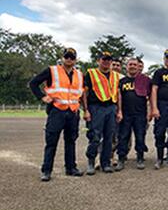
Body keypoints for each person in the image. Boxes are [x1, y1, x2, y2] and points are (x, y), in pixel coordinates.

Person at [29, 48, 84, 182]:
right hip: (57, 110)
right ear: (62, 57)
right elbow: (33, 83)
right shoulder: (52, 71)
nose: (69, 59)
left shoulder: (79, 74)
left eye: (71, 57)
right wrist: (42, 97)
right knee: (51, 141)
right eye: (66, 56)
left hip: (73, 112)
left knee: (71, 141)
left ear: (75, 59)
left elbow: (80, 92)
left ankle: (71, 167)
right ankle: (47, 170)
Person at [83, 51, 121, 175]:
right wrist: (86, 110)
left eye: (109, 60)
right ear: (99, 60)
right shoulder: (91, 73)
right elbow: (84, 93)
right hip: (96, 107)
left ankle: (105, 163)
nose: (107, 62)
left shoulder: (115, 76)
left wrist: (119, 110)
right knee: (95, 136)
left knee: (109, 137)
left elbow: (118, 93)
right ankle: (91, 161)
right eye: (104, 59)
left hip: (111, 107)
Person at [115, 58, 152, 171]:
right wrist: (119, 111)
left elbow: (151, 96)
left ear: (138, 67)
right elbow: (119, 97)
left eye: (135, 65)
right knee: (123, 137)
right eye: (130, 64)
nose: (132, 66)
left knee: (140, 137)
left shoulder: (145, 81)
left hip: (140, 114)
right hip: (126, 114)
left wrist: (150, 111)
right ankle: (121, 159)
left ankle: (140, 158)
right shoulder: (122, 81)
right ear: (127, 66)